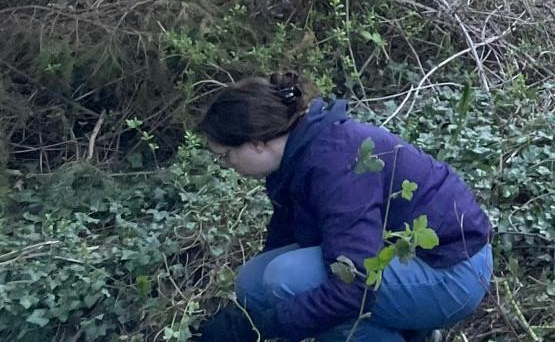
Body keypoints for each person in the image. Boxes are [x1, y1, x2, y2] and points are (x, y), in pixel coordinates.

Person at [192, 72, 492, 342]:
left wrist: (273, 324)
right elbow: (286, 239)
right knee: (253, 282)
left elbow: (352, 289)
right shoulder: (296, 155)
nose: (226, 165)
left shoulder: (335, 165)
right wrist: (242, 320)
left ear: (256, 143)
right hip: (403, 256)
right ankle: (410, 331)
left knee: (287, 280)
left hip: (452, 271)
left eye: (226, 155)